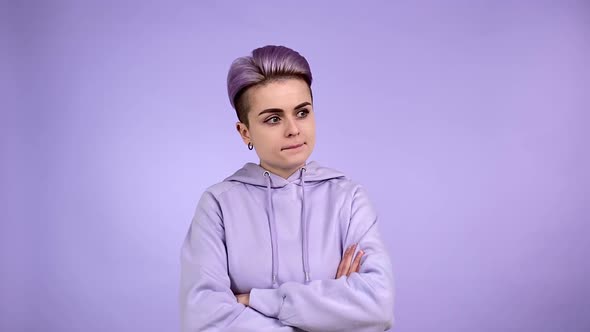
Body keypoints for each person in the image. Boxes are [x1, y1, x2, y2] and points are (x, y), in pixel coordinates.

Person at [179, 45, 395, 332]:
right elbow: (204, 320)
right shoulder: (218, 205)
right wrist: (334, 315)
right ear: (245, 132)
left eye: (302, 112)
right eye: (273, 118)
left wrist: (257, 300)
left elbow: (378, 306)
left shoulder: (348, 198)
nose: (293, 129)